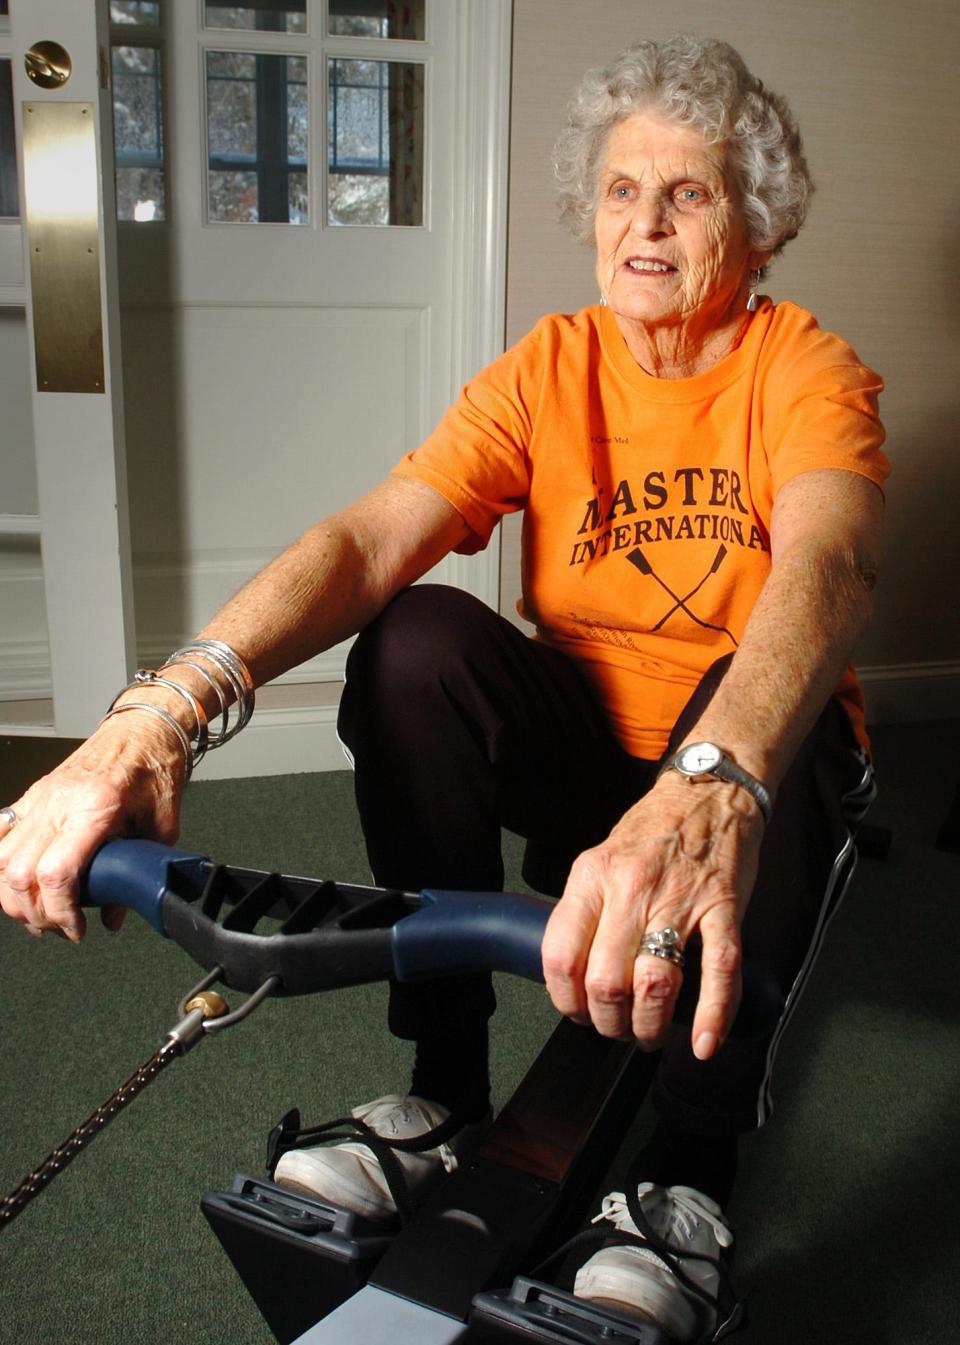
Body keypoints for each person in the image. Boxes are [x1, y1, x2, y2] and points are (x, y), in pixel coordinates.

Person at [0, 35, 888, 1343]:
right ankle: (443, 1084)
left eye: (688, 194)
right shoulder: (554, 365)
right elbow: (369, 540)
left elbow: (831, 557)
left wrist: (712, 775)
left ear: (754, 222)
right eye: (621, 191)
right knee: (416, 635)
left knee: (758, 716)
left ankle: (687, 1178)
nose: (644, 224)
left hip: (740, 775)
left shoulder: (804, 368)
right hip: (590, 752)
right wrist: (165, 702)